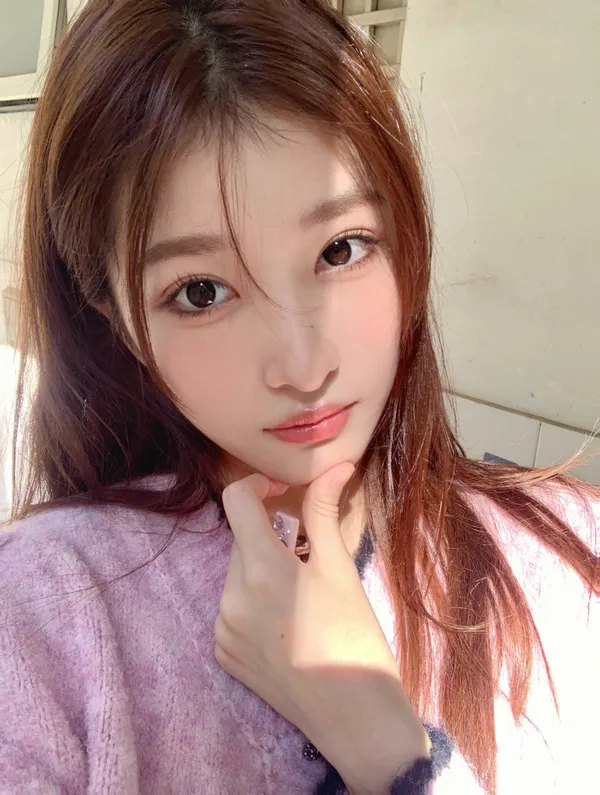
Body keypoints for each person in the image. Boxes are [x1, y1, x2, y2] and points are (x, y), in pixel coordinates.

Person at [0, 1, 598, 793]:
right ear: (119, 322)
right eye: (201, 291)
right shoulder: (44, 616)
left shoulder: (569, 557)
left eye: (340, 249)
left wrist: (384, 749)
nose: (303, 364)